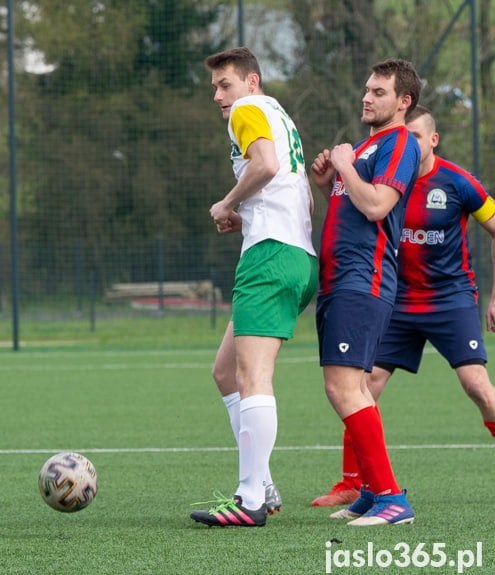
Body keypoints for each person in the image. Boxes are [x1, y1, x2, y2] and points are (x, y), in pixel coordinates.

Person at [312, 105, 495, 507]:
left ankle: (383, 496)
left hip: (450, 301)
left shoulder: (458, 183)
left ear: (432, 140)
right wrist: (333, 184)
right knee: (364, 385)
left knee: (477, 386)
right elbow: (359, 211)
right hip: (396, 298)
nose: (405, 144)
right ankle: (354, 484)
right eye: (403, 136)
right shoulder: (384, 176)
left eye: (415, 137)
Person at [189, 47, 317, 528]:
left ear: (252, 82)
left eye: (226, 84)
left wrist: (226, 204)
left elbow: (263, 166)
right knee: (226, 373)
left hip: (270, 256)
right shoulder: (280, 114)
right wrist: (250, 217)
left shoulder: (247, 110)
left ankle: (249, 500)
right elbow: (296, 189)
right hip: (294, 254)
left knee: (253, 378)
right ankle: (261, 483)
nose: (219, 96)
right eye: (216, 88)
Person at [310, 58, 422, 526]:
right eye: (367, 89)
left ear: (403, 102)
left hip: (363, 281)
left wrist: (343, 165)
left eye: (378, 91)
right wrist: (328, 182)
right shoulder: (369, 146)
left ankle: (392, 499)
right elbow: (352, 203)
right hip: (342, 281)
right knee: (354, 387)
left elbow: (377, 206)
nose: (367, 97)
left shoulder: (400, 143)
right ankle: (376, 493)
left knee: (341, 387)